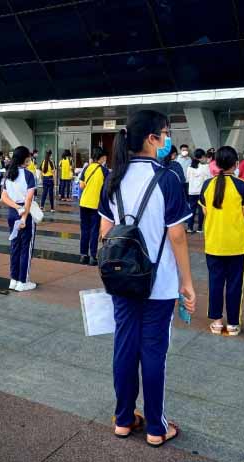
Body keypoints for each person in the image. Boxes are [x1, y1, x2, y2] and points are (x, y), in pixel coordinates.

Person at [98, 110, 195, 448]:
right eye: (165, 134)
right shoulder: (168, 178)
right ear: (152, 138)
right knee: (154, 351)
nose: (167, 140)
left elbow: (104, 233)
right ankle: (156, 427)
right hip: (160, 281)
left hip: (122, 280)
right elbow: (178, 235)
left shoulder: (114, 178)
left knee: (124, 346)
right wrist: (187, 281)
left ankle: (123, 419)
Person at [199, 146, 244, 336]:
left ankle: (216, 321)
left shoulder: (207, 185)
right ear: (235, 164)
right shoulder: (243, 186)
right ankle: (232, 323)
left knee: (215, 283)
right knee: (234, 284)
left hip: (214, 243)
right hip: (236, 244)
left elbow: (205, 212)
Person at [1, 146, 38, 292]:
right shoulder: (29, 175)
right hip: (26, 213)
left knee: (15, 246)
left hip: (12, 213)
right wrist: (23, 215)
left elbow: (4, 197)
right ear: (25, 158)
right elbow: (29, 199)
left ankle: (13, 279)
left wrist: (16, 208)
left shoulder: (9, 175)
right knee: (26, 248)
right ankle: (23, 281)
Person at [79, 147, 109, 265]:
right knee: (94, 230)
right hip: (96, 205)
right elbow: (107, 189)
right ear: (101, 158)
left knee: (85, 229)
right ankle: (92, 257)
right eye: (105, 157)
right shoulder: (104, 171)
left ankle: (83, 255)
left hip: (84, 203)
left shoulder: (87, 168)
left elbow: (81, 185)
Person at [186, 149, 211, 233]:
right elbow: (208, 179)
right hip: (201, 191)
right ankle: (200, 228)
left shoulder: (189, 167)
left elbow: (188, 178)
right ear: (202, 157)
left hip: (192, 191)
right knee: (201, 210)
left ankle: (190, 227)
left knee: (192, 209)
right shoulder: (205, 167)